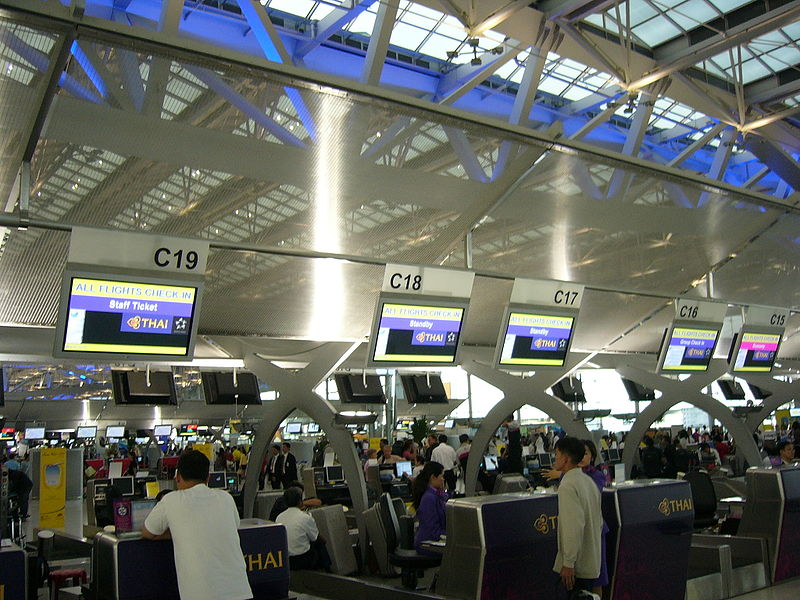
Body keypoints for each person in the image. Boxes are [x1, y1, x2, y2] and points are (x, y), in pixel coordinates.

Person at [142, 450, 253, 600]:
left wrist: (175, 531)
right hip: (240, 591)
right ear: (208, 478)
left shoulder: (171, 500)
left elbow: (148, 532)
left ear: (178, 477)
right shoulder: (226, 498)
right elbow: (232, 526)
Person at [552, 437, 602, 598]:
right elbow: (599, 522)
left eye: (557, 455)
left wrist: (568, 563)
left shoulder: (567, 485)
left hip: (576, 568)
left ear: (566, 458)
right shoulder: (587, 481)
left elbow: (573, 527)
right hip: (590, 561)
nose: (555, 459)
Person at [275, 487, 330, 571]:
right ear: (300, 501)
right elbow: (315, 538)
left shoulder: (279, 517)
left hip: (286, 559)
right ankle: (327, 569)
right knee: (320, 543)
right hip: (302, 559)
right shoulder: (305, 517)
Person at [412, 461, 448, 555]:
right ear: (433, 477)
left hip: (433, 539)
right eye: (441, 476)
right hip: (427, 544)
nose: (443, 479)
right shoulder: (429, 498)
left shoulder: (435, 495)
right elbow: (432, 530)